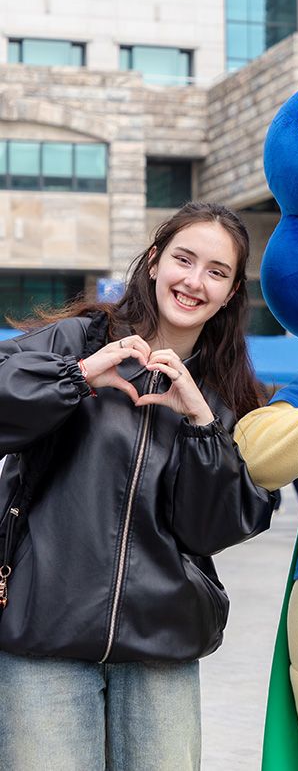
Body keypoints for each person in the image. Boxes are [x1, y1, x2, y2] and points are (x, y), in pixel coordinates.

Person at [0, 203, 275, 769]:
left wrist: (202, 424)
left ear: (229, 294)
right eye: (184, 259)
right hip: (43, 637)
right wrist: (76, 377)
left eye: (217, 272)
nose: (194, 281)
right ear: (154, 262)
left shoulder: (236, 396)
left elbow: (215, 528)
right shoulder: (75, 341)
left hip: (161, 651)